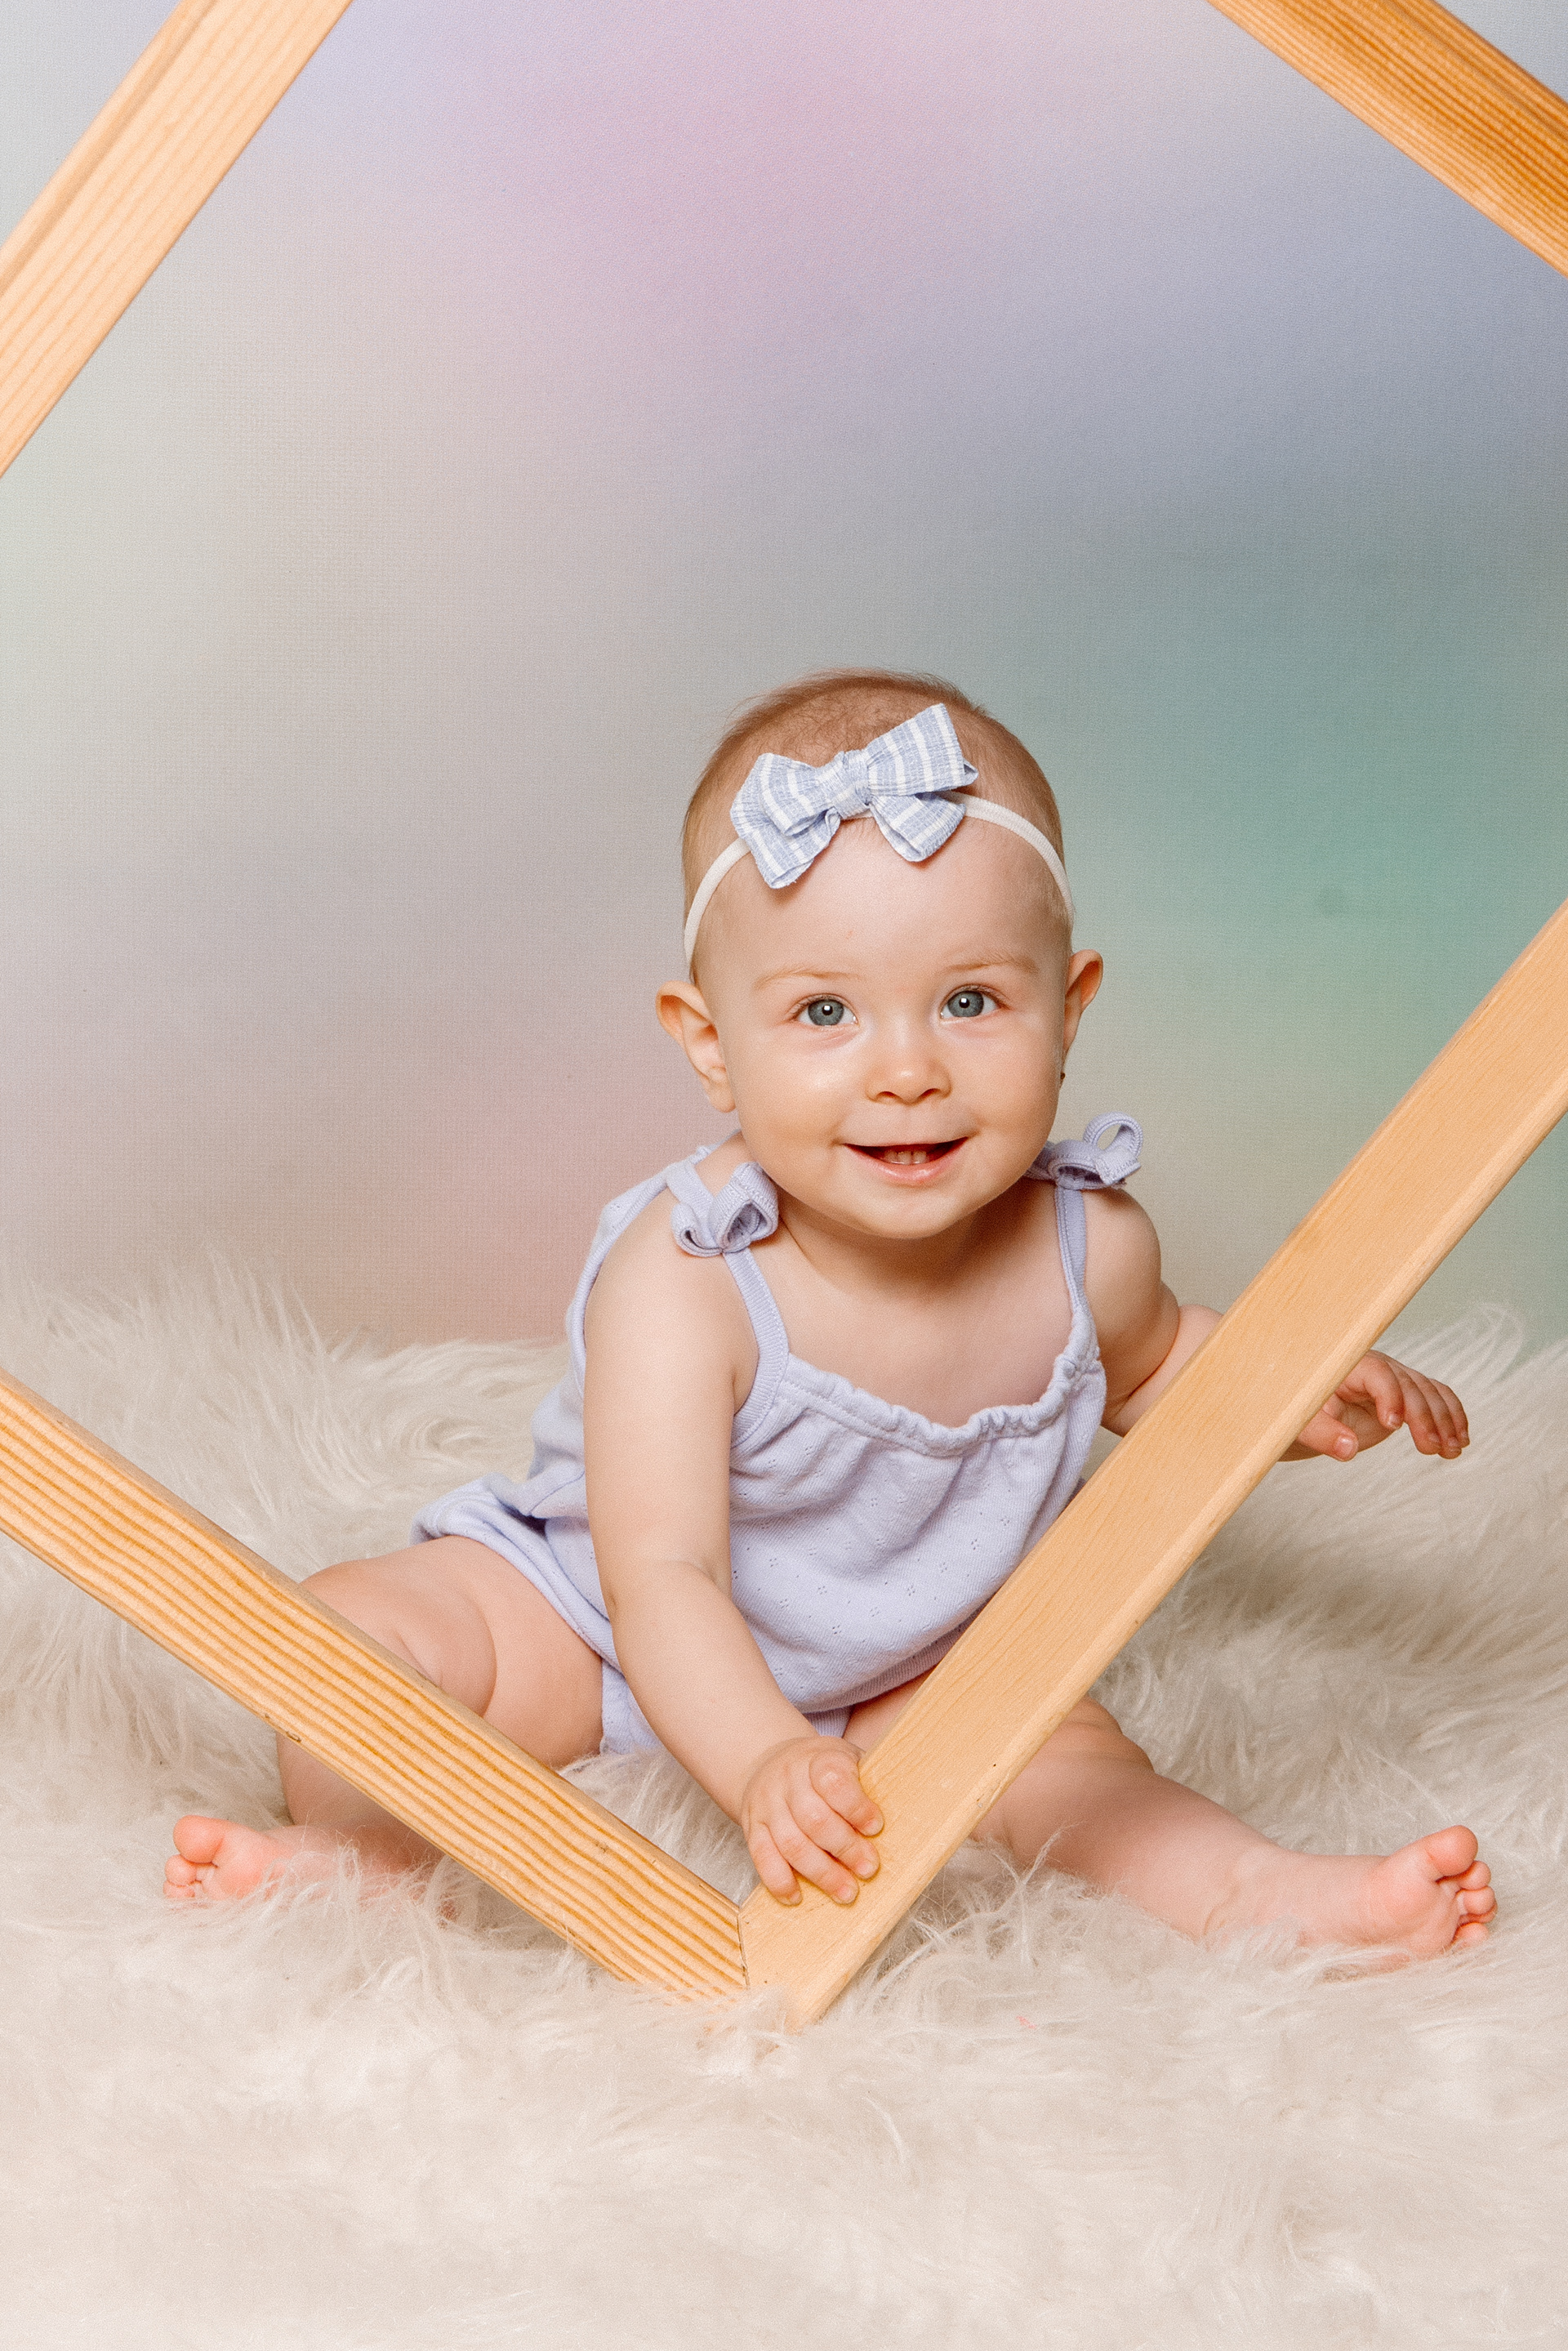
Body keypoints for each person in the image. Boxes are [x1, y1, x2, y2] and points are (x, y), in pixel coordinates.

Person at [167, 671, 1494, 1955]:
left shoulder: (1089, 1247)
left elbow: (1159, 1375)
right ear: (711, 1046)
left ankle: (1267, 1895)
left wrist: (1295, 1387)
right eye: (823, 1012)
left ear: (1069, 1010)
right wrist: (761, 1761)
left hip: (906, 1666)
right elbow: (662, 1571)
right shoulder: (690, 1277)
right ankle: (374, 1861)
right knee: (349, 1640)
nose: (908, 1071)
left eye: (971, 1002)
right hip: (590, 1628)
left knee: (1073, 1767)